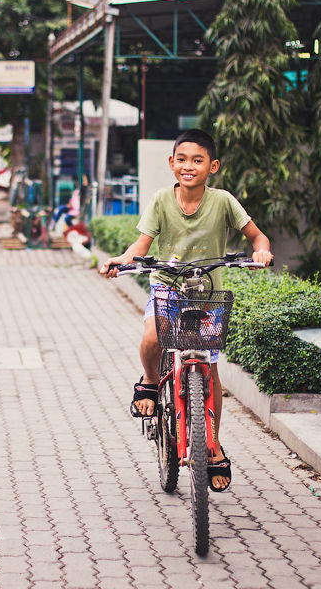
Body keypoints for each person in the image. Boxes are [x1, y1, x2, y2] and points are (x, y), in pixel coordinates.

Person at [99, 128, 273, 493]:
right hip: (168, 286)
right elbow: (141, 244)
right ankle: (149, 381)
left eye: (197, 160)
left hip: (207, 292)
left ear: (213, 166)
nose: (189, 166)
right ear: (171, 163)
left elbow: (257, 236)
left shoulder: (223, 201)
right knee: (152, 338)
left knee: (209, 371)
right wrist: (122, 259)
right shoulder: (162, 200)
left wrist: (261, 251)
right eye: (182, 159)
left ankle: (212, 446)